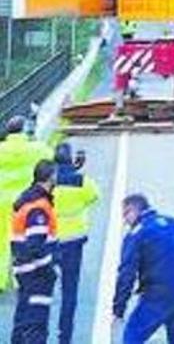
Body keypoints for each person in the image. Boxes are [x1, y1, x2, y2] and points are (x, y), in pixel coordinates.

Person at [112, 194, 174, 344]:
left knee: (132, 336)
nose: (125, 221)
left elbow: (127, 273)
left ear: (133, 210)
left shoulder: (137, 234)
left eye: (125, 214)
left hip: (157, 296)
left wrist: (118, 310)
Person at [53, 142, 101, 344]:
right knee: (69, 290)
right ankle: (66, 336)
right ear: (71, 159)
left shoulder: (49, 180)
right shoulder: (81, 181)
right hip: (73, 242)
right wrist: (76, 170)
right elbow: (94, 196)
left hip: (50, 241)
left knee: (43, 288)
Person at [0, 115, 53, 293]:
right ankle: (20, 280)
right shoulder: (35, 149)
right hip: (25, 203)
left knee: (1, 242)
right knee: (22, 240)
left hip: (2, 201)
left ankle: (0, 281)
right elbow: (49, 157)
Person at [10, 159, 57, 343]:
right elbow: (35, 246)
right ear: (50, 177)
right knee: (36, 324)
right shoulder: (39, 207)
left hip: (25, 271)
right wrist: (49, 270)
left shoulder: (27, 200)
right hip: (36, 273)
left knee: (23, 321)